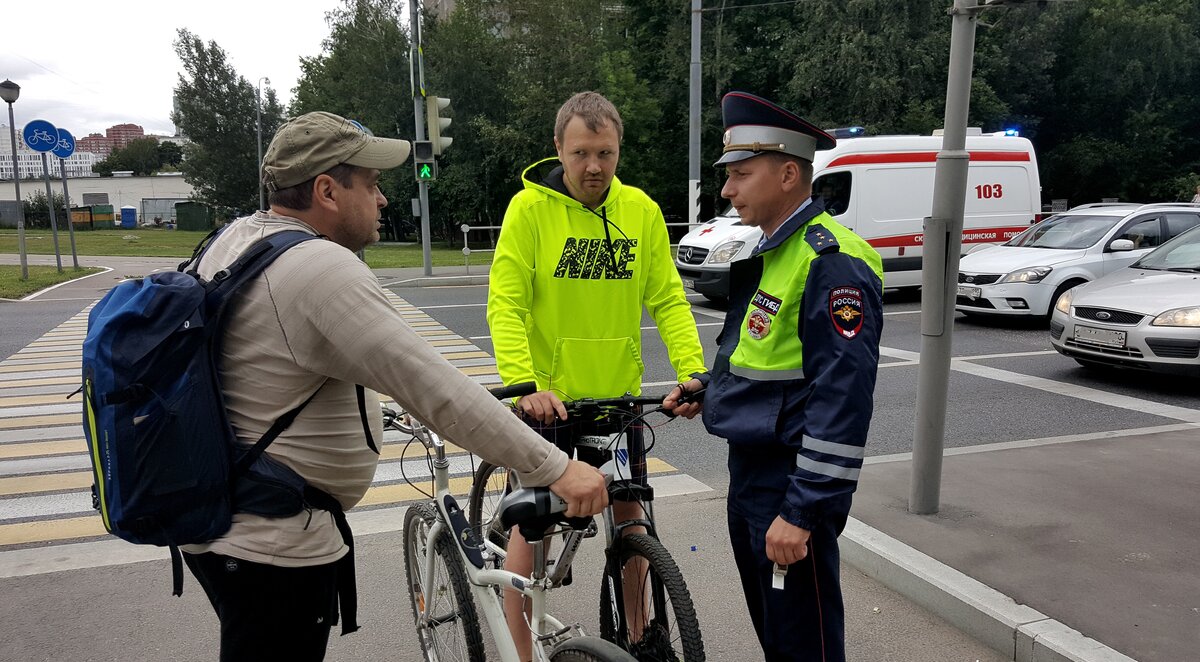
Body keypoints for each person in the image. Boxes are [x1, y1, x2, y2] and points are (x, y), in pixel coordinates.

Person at [180, 111, 609, 662]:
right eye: (373, 184)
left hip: (225, 520)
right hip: (269, 544)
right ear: (328, 191)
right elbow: (436, 388)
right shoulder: (316, 269)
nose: (382, 200)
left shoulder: (241, 236)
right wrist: (555, 467)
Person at [487, 91, 707, 660]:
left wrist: (693, 372)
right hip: (549, 405)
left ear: (618, 150)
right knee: (532, 531)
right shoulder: (529, 211)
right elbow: (505, 305)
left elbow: (668, 299)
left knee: (631, 511)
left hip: (618, 402)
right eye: (581, 152)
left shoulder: (640, 211)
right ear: (558, 148)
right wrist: (525, 385)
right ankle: (522, 653)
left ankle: (637, 636)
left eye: (605, 153)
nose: (593, 167)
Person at [701, 92, 884, 662]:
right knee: (778, 636)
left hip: (789, 482)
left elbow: (842, 398)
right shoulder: (774, 251)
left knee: (805, 644)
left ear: (787, 173)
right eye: (727, 175)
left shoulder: (831, 262)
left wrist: (801, 512)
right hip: (755, 474)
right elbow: (765, 358)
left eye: (740, 174)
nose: (728, 189)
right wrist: (708, 388)